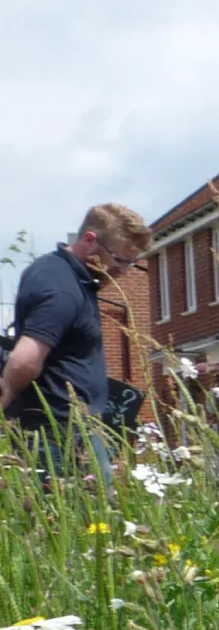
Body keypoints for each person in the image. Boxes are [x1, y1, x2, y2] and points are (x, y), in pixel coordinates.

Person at [3, 203, 147, 482]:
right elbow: (25, 358)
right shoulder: (62, 288)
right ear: (90, 240)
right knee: (83, 520)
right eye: (119, 260)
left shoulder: (64, 274)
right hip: (61, 436)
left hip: (74, 430)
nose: (125, 272)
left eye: (132, 262)